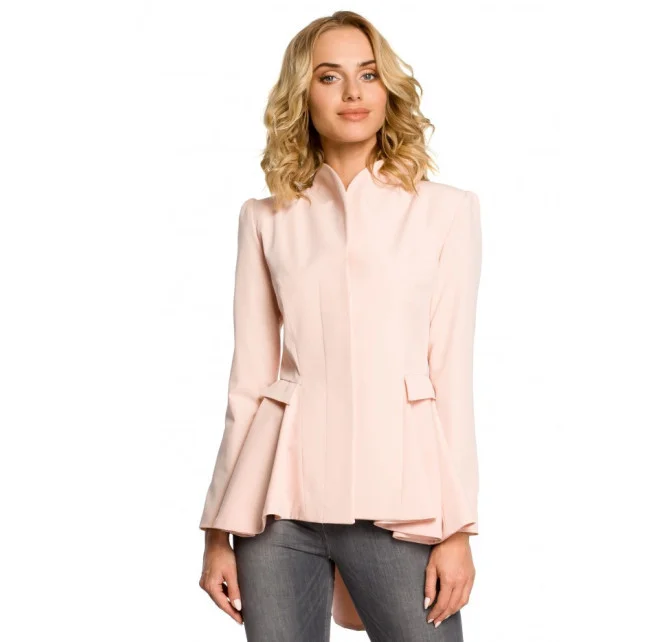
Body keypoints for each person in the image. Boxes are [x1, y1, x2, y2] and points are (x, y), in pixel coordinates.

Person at [198, 10, 482, 642]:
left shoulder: (447, 212)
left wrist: (459, 528)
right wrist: (218, 530)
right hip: (277, 506)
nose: (353, 92)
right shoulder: (266, 218)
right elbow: (247, 384)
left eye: (369, 74)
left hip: (401, 504)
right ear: (303, 94)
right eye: (330, 77)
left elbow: (451, 378)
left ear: (389, 89)